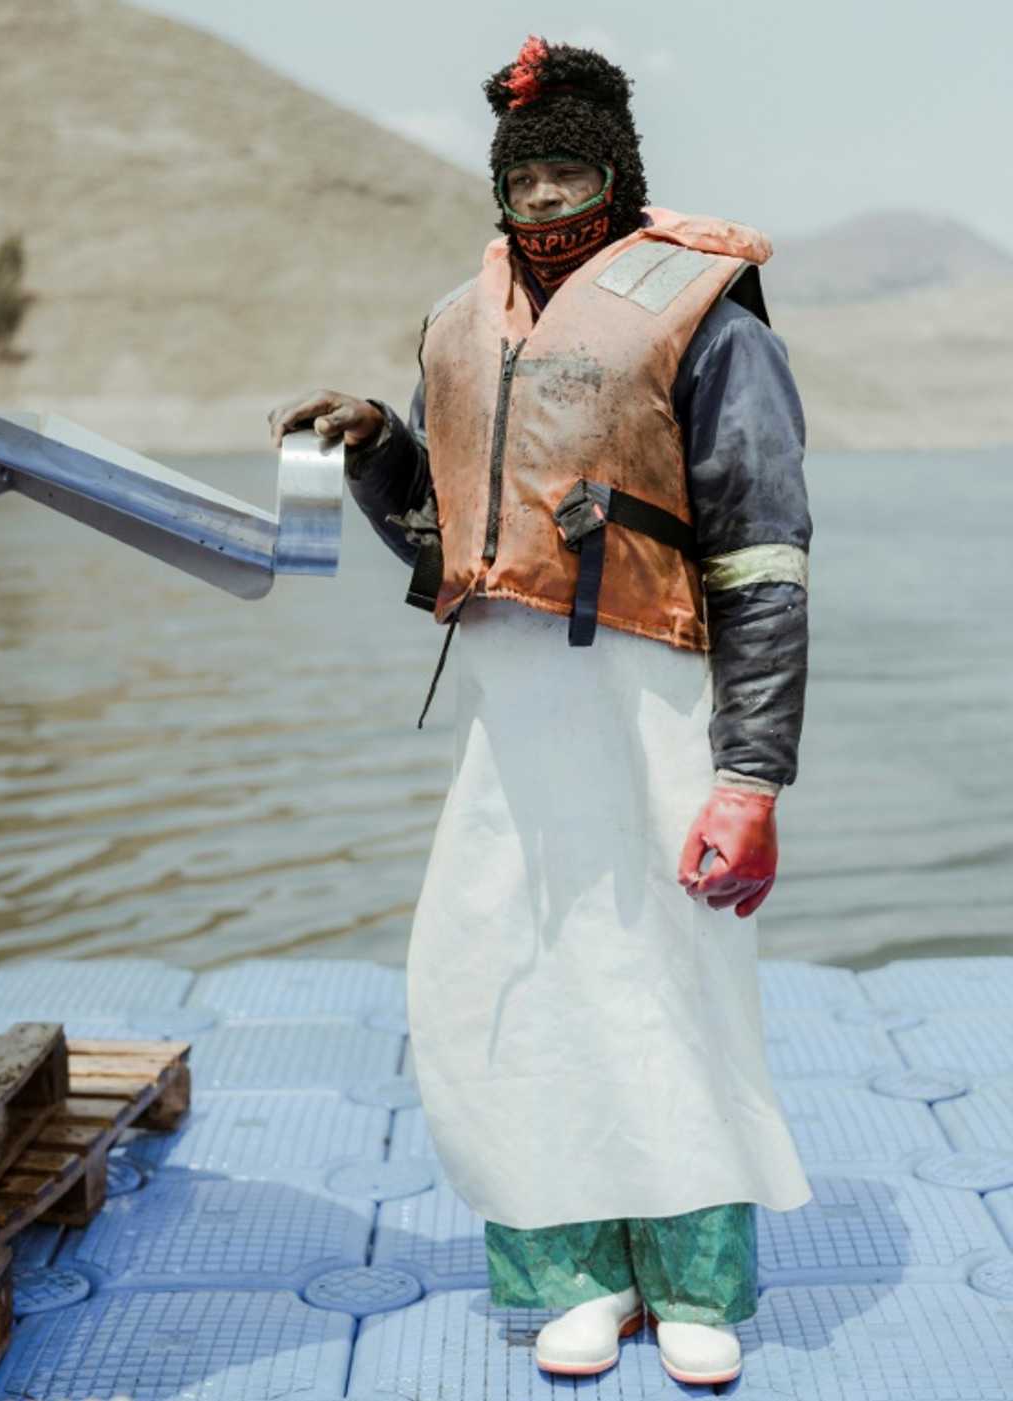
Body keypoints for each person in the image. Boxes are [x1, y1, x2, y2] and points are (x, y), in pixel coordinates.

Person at [270, 34, 813, 1387]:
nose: (548, 204)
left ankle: (695, 1282)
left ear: (619, 175)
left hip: (655, 704)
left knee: (669, 986)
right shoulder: (461, 325)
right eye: (527, 180)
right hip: (513, 718)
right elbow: (442, 545)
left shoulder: (711, 322)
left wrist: (749, 779)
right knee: (508, 980)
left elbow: (766, 561)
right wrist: (377, 453)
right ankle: (570, 1273)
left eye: (573, 172)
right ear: (500, 190)